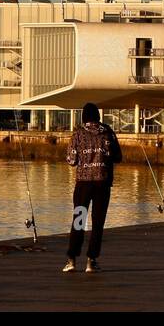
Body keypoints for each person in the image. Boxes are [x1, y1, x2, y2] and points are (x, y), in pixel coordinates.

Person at [63, 102, 122, 273]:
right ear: (98, 116)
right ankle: (91, 261)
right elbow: (117, 157)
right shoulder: (108, 133)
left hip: (83, 184)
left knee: (79, 221)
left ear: (84, 117)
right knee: (98, 223)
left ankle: (72, 260)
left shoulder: (78, 134)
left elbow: (71, 161)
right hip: (102, 184)